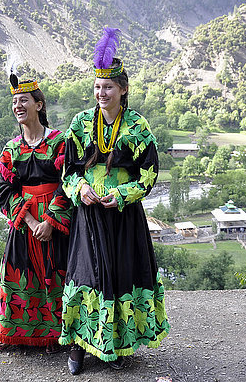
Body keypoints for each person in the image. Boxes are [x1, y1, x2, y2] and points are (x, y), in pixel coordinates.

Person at [59, 28, 170, 375]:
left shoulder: (137, 126)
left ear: (122, 89)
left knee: (121, 276)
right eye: (97, 87)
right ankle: (77, 347)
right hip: (89, 216)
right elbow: (66, 171)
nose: (101, 93)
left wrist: (121, 195)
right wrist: (80, 189)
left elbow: (149, 173)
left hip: (122, 217)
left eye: (108, 87)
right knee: (85, 276)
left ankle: (117, 344)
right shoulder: (79, 125)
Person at [0, 74, 72, 354]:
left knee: (57, 274)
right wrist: (32, 221)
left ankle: (56, 336)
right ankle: (18, 334)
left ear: (39, 105)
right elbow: (5, 192)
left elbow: (69, 182)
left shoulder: (60, 142)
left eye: (24, 100)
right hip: (25, 223)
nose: (18, 106)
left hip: (55, 222)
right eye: (14, 102)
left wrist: (50, 220)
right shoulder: (11, 149)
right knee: (19, 275)